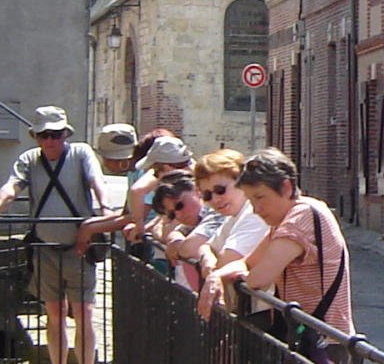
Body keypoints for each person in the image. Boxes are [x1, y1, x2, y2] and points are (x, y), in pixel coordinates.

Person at [0, 106, 108, 364]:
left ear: (65, 134)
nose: (50, 141)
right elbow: (12, 187)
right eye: (44, 135)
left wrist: (104, 211)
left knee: (84, 312)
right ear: (36, 137)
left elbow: (97, 181)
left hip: (79, 248)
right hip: (45, 249)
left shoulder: (81, 153)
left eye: (56, 135)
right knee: (54, 313)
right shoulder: (30, 160)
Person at [199, 148, 354, 340]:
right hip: (304, 331)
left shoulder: (301, 217)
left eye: (260, 198)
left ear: (286, 187)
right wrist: (216, 277)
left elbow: (259, 277)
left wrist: (230, 276)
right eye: (250, 200)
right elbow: (247, 263)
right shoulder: (283, 220)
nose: (255, 210)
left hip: (324, 338)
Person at [156, 149, 269, 293]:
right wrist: (208, 259)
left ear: (241, 181)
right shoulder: (232, 216)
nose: (215, 199)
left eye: (220, 190)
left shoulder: (254, 215)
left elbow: (227, 260)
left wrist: (210, 264)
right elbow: (206, 247)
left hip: (261, 309)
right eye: (207, 195)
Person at [70, 124, 140, 258]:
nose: (105, 164)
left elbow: (138, 217)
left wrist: (91, 228)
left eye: (107, 159)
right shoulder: (132, 174)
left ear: (121, 160)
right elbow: (126, 213)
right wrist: (89, 224)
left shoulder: (143, 173)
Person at [130, 134, 196, 276]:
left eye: (155, 172)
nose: (155, 177)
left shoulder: (188, 193)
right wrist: (148, 226)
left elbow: (167, 234)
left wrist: (143, 227)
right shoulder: (193, 178)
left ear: (166, 168)